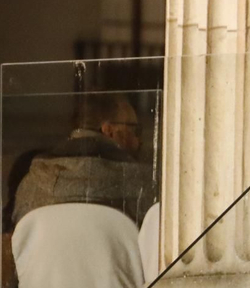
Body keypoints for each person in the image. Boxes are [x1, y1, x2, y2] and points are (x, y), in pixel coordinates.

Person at [12, 93, 154, 227]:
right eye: (135, 130)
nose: (139, 140)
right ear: (109, 130)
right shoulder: (141, 185)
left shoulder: (31, 183)